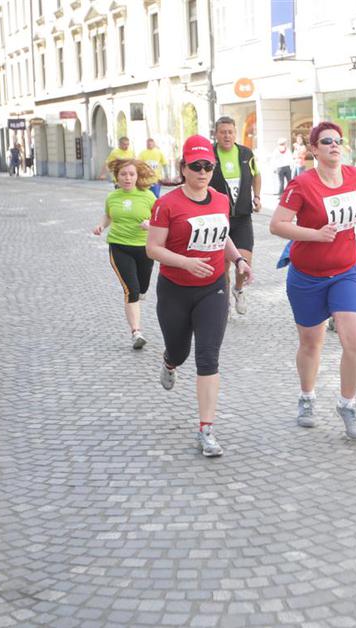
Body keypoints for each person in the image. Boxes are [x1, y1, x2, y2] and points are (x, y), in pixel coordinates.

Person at [146, 135, 252, 457]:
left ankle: (206, 429)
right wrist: (185, 263)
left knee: (208, 357)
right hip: (175, 289)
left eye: (208, 166)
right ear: (183, 168)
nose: (203, 172)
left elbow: (224, 236)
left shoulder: (220, 200)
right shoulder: (167, 204)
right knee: (179, 351)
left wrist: (238, 259)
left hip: (213, 288)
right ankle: (169, 362)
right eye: (196, 166)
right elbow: (153, 248)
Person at [269, 121, 356, 440]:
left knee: (355, 340)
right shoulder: (302, 184)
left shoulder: (354, 175)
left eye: (338, 140)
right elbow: (277, 224)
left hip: (346, 271)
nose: (334, 145)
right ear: (314, 149)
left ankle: (347, 404)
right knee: (311, 342)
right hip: (307, 275)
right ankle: (307, 397)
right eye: (326, 141)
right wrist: (315, 235)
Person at [92, 159, 158, 350]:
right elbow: (108, 216)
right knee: (131, 289)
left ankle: (140, 293)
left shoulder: (148, 197)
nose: (127, 178)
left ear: (137, 176)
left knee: (142, 286)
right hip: (119, 246)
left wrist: (150, 224)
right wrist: (101, 226)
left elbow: (160, 219)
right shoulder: (112, 197)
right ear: (117, 177)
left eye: (131, 174)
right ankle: (136, 332)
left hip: (144, 248)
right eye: (123, 174)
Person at [209, 116, 261, 315]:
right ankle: (225, 301)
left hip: (242, 216)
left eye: (230, 132)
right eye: (223, 132)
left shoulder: (246, 153)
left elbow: (257, 174)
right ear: (216, 134)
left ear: (235, 133)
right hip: (218, 219)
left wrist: (257, 196)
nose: (227, 136)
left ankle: (238, 290)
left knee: (244, 260)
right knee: (223, 265)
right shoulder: (210, 155)